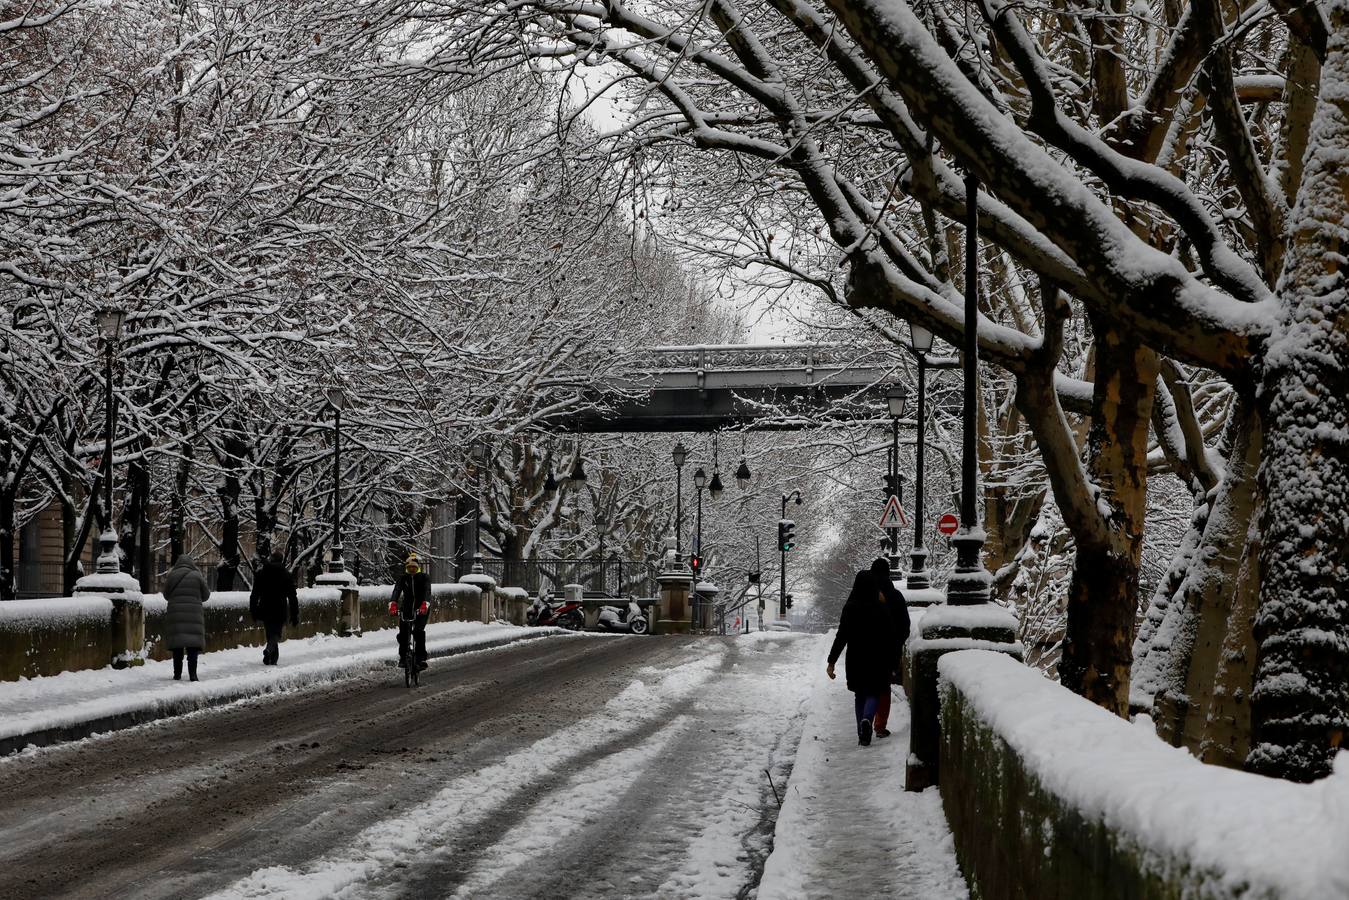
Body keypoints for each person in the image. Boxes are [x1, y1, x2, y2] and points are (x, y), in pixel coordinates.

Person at [826, 568, 904, 745]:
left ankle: (862, 731)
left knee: (859, 694)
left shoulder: (850, 607)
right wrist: (894, 660)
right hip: (878, 659)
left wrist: (832, 661)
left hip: (856, 658)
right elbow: (892, 636)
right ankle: (868, 719)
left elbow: (841, 636)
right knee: (874, 692)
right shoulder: (881, 608)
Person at [869, 557, 912, 739]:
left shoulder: (863, 594)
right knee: (883, 687)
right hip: (888, 649)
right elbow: (905, 625)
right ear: (888, 574)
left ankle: (865, 719)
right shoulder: (895, 596)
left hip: (866, 648)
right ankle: (880, 725)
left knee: (867, 686)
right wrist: (897, 643)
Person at [164, 554, 211, 681]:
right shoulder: (197, 575)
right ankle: (193, 675)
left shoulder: (171, 576)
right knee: (193, 647)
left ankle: (177, 674)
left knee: (177, 647)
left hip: (176, 614)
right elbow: (206, 595)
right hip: (194, 615)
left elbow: (166, 595)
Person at [250, 551, 299, 665]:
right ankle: (269, 650)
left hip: (265, 607)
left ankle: (271, 658)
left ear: (271, 559)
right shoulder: (286, 574)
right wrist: (294, 614)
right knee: (276, 633)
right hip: (279, 608)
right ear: (281, 560)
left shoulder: (262, 573)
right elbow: (292, 596)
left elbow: (254, 594)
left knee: (270, 632)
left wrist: (253, 609)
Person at [389, 554, 431, 670]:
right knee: (404, 633)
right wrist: (393, 603)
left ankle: (420, 658)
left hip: (421, 608)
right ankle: (403, 658)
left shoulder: (424, 577)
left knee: (418, 631)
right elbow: (397, 590)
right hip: (406, 609)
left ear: (417, 567)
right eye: (409, 567)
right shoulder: (403, 578)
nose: (412, 569)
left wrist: (425, 604)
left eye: (414, 567)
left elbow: (427, 591)